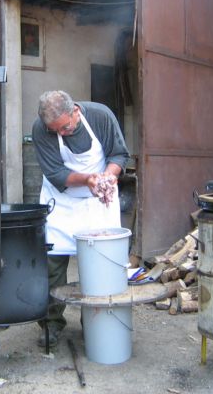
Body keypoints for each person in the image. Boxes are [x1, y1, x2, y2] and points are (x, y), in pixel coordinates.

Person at [32, 90, 130, 347]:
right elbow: (56, 173)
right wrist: (87, 179)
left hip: (99, 200)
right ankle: (51, 322)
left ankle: (96, 321)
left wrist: (107, 177)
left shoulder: (100, 116)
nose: (61, 134)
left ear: (75, 111)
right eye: (55, 131)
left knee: (99, 264)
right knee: (52, 264)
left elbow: (118, 154)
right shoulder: (41, 129)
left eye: (65, 127)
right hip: (61, 201)